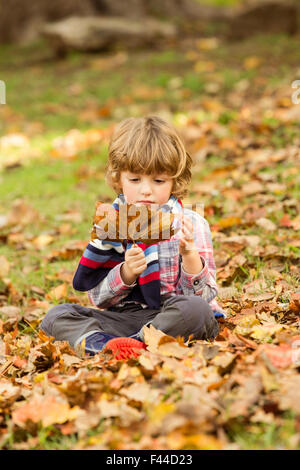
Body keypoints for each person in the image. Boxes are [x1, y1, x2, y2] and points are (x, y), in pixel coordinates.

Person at [41, 116, 226, 360]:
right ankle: (112, 345)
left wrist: (190, 255)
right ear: (119, 179)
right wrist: (127, 273)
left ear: (174, 180)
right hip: (125, 319)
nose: (146, 190)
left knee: (197, 311)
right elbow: (98, 298)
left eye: (158, 180)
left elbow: (204, 297)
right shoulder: (112, 224)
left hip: (173, 317)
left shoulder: (190, 224)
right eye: (135, 179)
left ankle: (132, 345)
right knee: (56, 317)